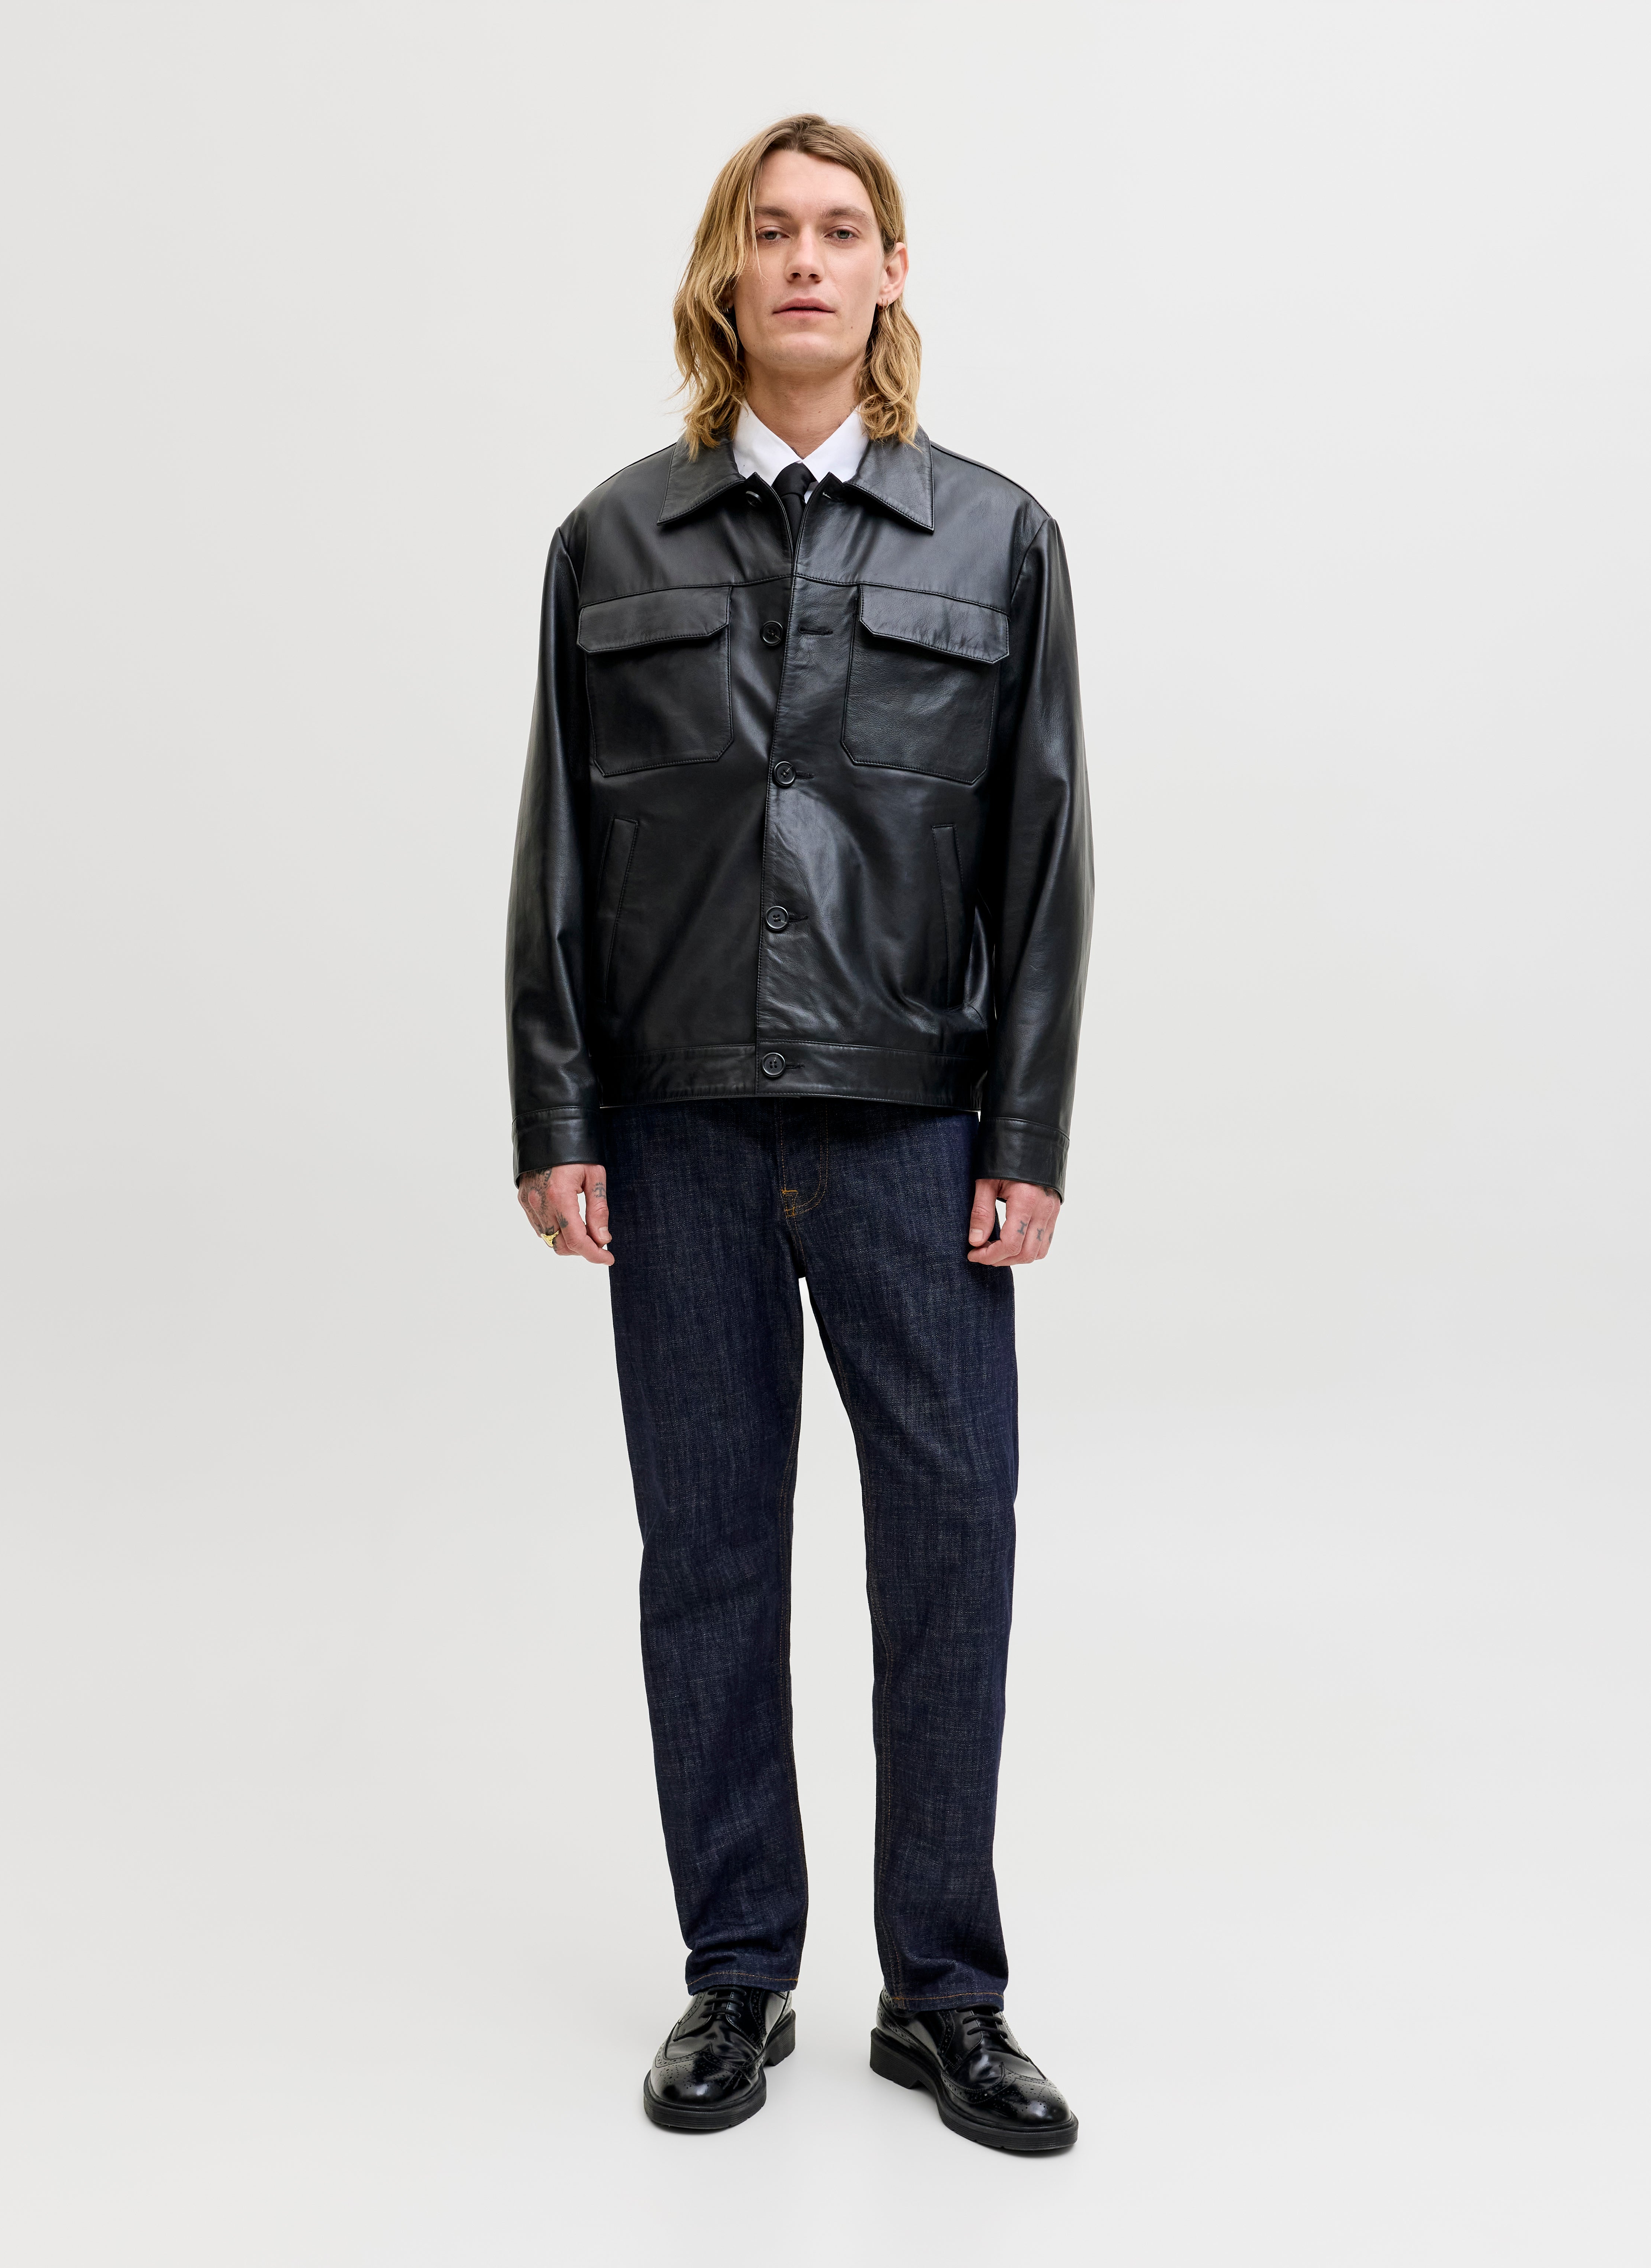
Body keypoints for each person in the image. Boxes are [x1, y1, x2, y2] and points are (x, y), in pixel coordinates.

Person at [505, 113, 1092, 2153]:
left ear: (892, 273)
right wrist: (557, 1110)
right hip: (671, 1129)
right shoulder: (614, 542)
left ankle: (945, 1993)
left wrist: (1025, 1131)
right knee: (709, 1554)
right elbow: (559, 850)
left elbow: (1044, 858)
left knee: (950, 1550)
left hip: (916, 1130)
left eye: (846, 230)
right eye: (774, 231)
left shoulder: (997, 540)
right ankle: (737, 1970)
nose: (810, 261)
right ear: (727, 273)